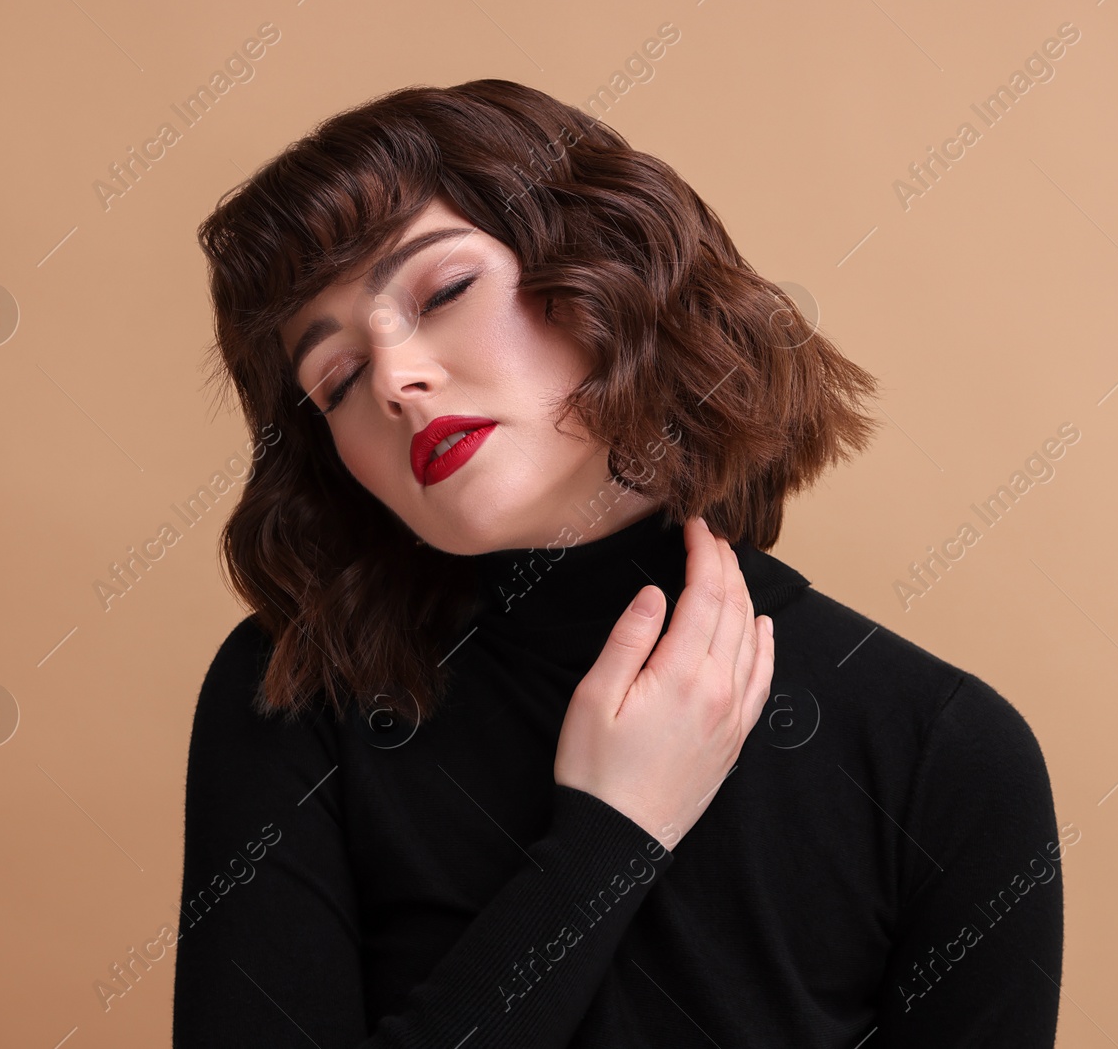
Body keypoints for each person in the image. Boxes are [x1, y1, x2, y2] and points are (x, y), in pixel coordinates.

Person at [172, 78, 1064, 1047]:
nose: (392, 379)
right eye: (335, 378)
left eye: (445, 292)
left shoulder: (940, 750)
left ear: (604, 265)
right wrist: (606, 839)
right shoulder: (296, 698)